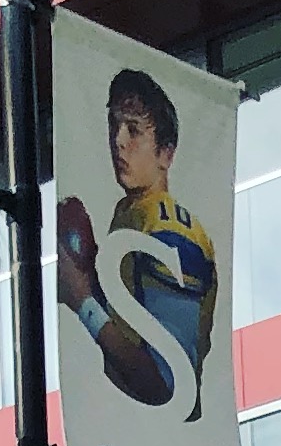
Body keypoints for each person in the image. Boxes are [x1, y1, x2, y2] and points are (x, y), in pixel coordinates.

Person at [54, 67, 218, 419]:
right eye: (114, 125)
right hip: (135, 425)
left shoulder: (172, 233)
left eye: (134, 130)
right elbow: (133, 322)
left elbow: (168, 382)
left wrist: (83, 302)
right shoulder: (132, 210)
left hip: (160, 437)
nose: (118, 141)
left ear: (166, 154)